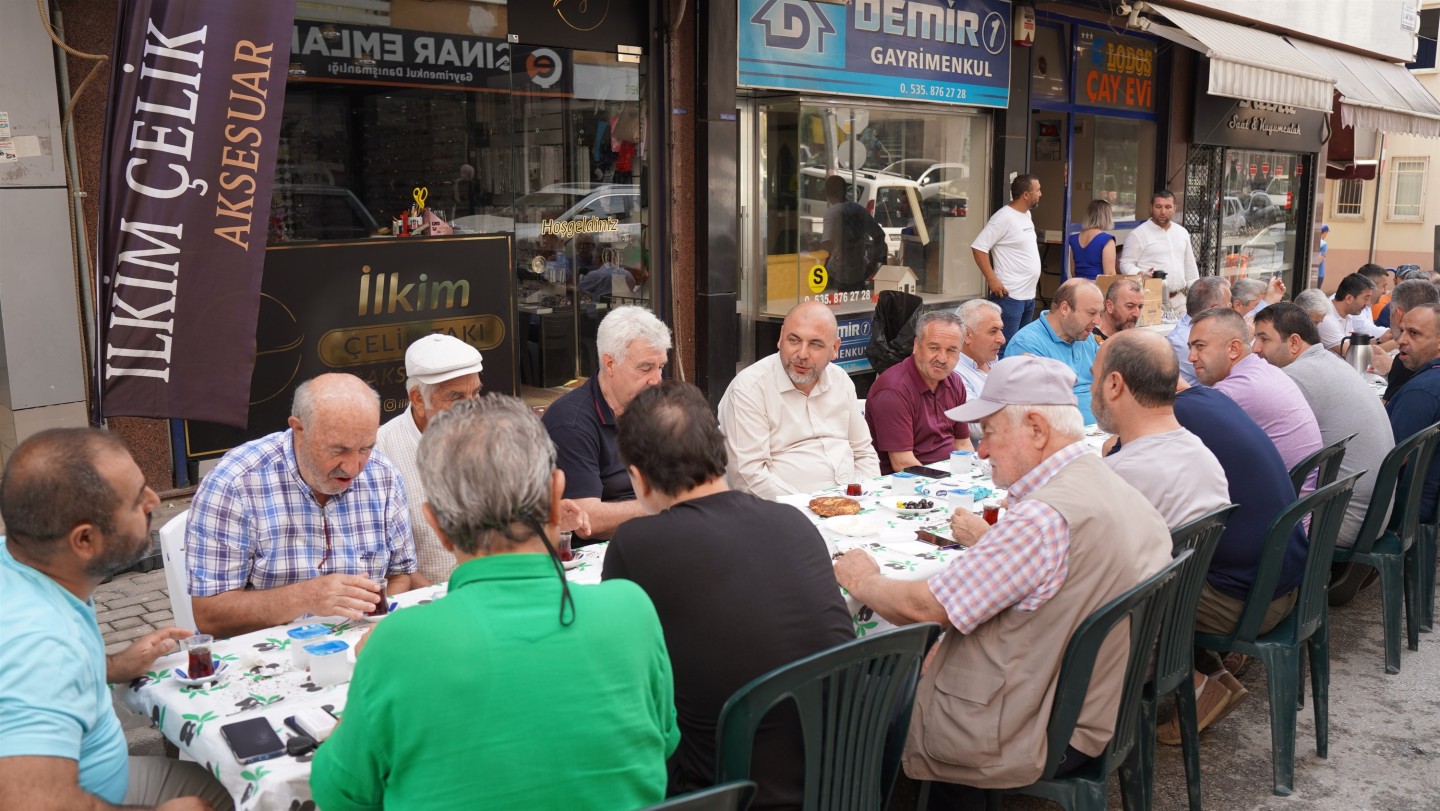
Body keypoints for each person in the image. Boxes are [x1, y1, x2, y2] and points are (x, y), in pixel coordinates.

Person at [311, 396, 678, 811]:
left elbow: (337, 794)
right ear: (557, 495)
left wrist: (352, 721)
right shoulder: (631, 610)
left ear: (438, 524)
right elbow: (664, 742)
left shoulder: (396, 645)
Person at [833, 355, 1171, 790]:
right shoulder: (1106, 481)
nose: (982, 449)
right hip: (1096, 705)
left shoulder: (1043, 518)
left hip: (1034, 724)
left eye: (989, 432)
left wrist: (862, 580)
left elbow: (924, 608)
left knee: (844, 691)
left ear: (1036, 428)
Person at [603, 381, 854, 809]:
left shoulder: (637, 543)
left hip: (722, 789)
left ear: (639, 479)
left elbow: (619, 671)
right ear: (719, 451)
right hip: (840, 776)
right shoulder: (791, 521)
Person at [0, 428, 230, 811]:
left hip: (98, 777)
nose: (155, 500)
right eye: (137, 499)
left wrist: (113, 666)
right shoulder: (42, 648)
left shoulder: (27, 567)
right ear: (84, 541)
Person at [187, 374, 416, 638]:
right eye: (338, 450)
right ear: (299, 429)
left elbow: (401, 574)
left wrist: (374, 625)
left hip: (361, 641)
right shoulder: (236, 483)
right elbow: (209, 615)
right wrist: (304, 597)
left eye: (365, 448)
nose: (353, 468)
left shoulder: (383, 475)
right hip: (265, 654)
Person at [1166, 380, 1311, 742]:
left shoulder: (1170, 417)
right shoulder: (1212, 399)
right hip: (1286, 588)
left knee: (1129, 596)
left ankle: (1197, 687)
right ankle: (1214, 676)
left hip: (1248, 603)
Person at [1252, 302, 1395, 549]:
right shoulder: (1329, 361)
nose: (1255, 349)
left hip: (1342, 520)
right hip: (1373, 515)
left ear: (1294, 343)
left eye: (1263, 339)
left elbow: (1267, 453)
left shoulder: (1294, 376)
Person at [719, 301, 879, 497]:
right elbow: (747, 476)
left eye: (815, 344)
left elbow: (863, 452)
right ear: (780, 338)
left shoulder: (840, 381)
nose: (802, 354)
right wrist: (807, 507)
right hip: (786, 515)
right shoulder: (749, 389)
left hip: (852, 507)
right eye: (794, 340)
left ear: (835, 348)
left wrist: (865, 497)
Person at [543, 305, 671, 541]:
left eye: (660, 367)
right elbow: (587, 519)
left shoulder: (654, 407)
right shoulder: (571, 423)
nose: (657, 380)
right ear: (609, 364)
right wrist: (668, 505)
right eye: (646, 368)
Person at [1091, 330, 1230, 529]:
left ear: (1114, 384)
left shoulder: (1117, 475)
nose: (1091, 389)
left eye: (1094, 378)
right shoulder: (1203, 455)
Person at [375, 335, 484, 586]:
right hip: (426, 604)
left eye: (476, 393)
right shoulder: (381, 450)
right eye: (456, 397)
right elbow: (389, 566)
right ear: (417, 399)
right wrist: (449, 603)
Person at [1187, 307, 1323, 473]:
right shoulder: (1266, 370)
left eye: (1200, 346)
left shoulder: (1235, 390)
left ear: (1234, 349)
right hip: (1303, 494)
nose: (1191, 357)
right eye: (1190, 348)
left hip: (1287, 497)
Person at [865, 311, 974, 475]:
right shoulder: (894, 390)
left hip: (951, 476)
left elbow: (963, 444)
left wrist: (971, 479)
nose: (942, 358)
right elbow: (902, 463)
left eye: (952, 350)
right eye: (934, 348)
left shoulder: (955, 382)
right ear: (916, 345)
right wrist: (947, 483)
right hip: (908, 484)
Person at [1004, 278, 1103, 424]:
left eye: (1100, 313)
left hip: (1100, 431)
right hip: (1064, 434)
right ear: (1065, 308)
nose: (1097, 321)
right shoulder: (1027, 344)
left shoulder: (1084, 335)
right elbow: (1035, 411)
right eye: (1091, 313)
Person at [971, 174, 1043, 346]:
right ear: (1026, 194)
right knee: (1003, 346)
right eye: (1038, 190)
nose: (1041, 194)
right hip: (1010, 296)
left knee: (1021, 344)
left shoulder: (1026, 215)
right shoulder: (1003, 217)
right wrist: (992, 279)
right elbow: (979, 247)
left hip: (1028, 296)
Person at [1385, 302, 1440, 524]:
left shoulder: (1421, 392)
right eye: (1402, 331)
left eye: (1414, 333)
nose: (1401, 341)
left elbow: (1392, 459)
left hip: (1405, 512)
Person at [1118, 191, 1200, 319]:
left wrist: (1198, 296)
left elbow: (1190, 267)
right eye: (1158, 207)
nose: (1163, 211)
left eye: (1167, 207)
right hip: (1151, 300)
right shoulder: (1138, 234)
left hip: (1180, 300)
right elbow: (1125, 263)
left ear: (1174, 208)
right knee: (1155, 338)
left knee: (1184, 337)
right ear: (1151, 208)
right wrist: (1140, 273)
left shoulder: (1182, 232)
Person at [1370, 278, 1440, 401]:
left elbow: (1385, 416)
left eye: (1414, 333)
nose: (1401, 340)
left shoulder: (1409, 359)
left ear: (1398, 315)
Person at [820, 174, 887, 292]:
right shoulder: (858, 209)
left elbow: (827, 246)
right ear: (846, 191)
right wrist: (872, 263)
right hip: (858, 274)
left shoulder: (832, 213)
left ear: (828, 193)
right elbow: (879, 235)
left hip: (837, 276)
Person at [1167, 276, 1230, 386]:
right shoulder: (1185, 341)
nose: (1232, 309)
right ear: (1215, 309)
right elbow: (1227, 377)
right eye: (1228, 304)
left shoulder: (1196, 325)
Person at [953, 298, 1006, 399]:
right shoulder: (954, 375)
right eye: (993, 331)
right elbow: (975, 414)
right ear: (967, 335)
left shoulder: (992, 361)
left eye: (1001, 330)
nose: (1002, 340)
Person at [1067, 199, 1117, 281]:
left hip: (1078, 285)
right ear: (1107, 217)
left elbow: (1073, 271)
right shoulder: (1107, 240)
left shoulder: (1074, 239)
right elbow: (1109, 274)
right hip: (1097, 288)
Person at [1346, 264, 1391, 340]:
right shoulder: (1354, 303)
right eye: (1383, 286)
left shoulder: (1368, 302)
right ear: (1371, 286)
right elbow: (1368, 330)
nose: (1384, 291)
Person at [1094, 277, 1145, 343]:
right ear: (1110, 306)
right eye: (1130, 306)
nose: (1137, 314)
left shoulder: (1132, 340)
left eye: (1140, 307)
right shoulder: (1089, 341)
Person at [1317, 223, 1329, 288]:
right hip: (1319, 273)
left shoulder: (1313, 241)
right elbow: (1320, 260)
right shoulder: (1324, 244)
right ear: (1325, 233)